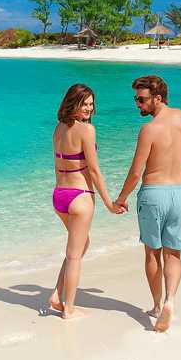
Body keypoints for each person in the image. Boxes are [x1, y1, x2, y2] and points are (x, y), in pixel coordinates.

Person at [113, 75, 181, 332]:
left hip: (153, 193)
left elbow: (136, 172)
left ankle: (156, 305)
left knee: (153, 252)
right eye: (135, 99)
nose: (137, 105)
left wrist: (121, 198)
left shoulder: (149, 129)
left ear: (157, 98)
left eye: (141, 100)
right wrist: (176, 173)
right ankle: (171, 300)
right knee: (174, 253)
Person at [47, 83, 124, 319]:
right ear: (73, 104)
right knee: (74, 254)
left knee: (80, 246)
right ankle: (68, 308)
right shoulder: (87, 131)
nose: (89, 108)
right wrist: (109, 203)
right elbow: (95, 171)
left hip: (60, 195)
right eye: (85, 104)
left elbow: (58, 165)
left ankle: (57, 295)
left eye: (92, 104)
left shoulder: (58, 129)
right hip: (80, 197)